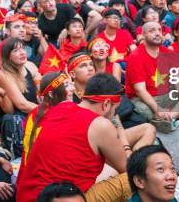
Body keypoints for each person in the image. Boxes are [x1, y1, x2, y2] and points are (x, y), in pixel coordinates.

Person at [16, 73, 131, 202]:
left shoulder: (60, 108)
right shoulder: (101, 125)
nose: (114, 113)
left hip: (27, 195)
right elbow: (127, 168)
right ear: (106, 104)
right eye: (115, 109)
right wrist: (120, 132)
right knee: (134, 179)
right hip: (60, 198)